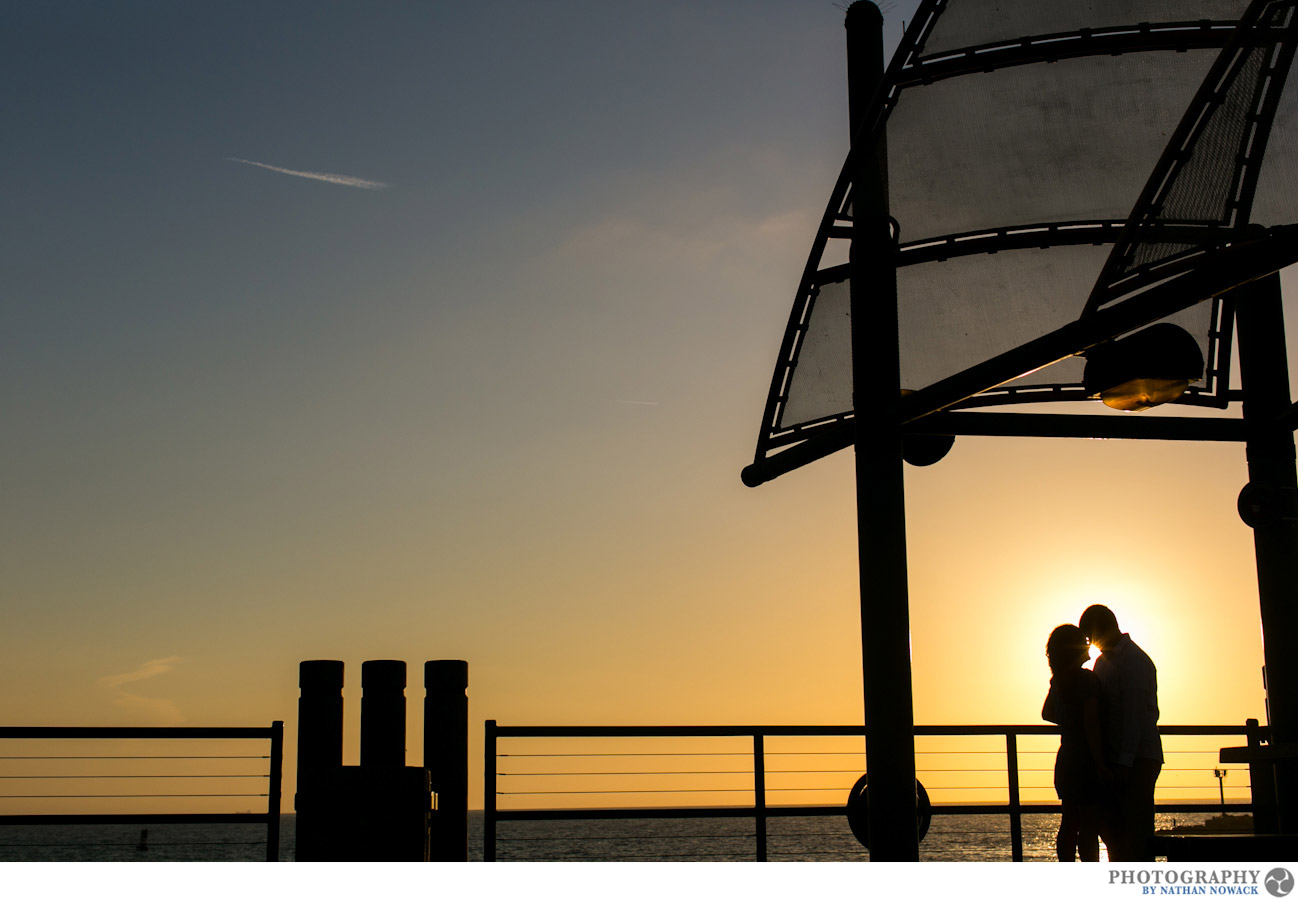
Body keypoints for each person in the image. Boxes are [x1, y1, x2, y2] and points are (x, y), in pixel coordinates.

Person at [1079, 604, 1163, 861]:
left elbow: (1135, 717)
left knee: (1136, 833)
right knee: (1117, 831)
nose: (1089, 642)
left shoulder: (1134, 661)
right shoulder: (1103, 662)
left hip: (1136, 759)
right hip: (1120, 760)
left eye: (1090, 636)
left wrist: (1124, 763)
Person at [1042, 624, 1111, 861]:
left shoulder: (1058, 681)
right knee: (1089, 827)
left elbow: (1047, 713)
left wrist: (1068, 718)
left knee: (1069, 821)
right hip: (1085, 760)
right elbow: (1092, 724)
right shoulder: (1088, 680)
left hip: (1067, 756)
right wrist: (1100, 762)